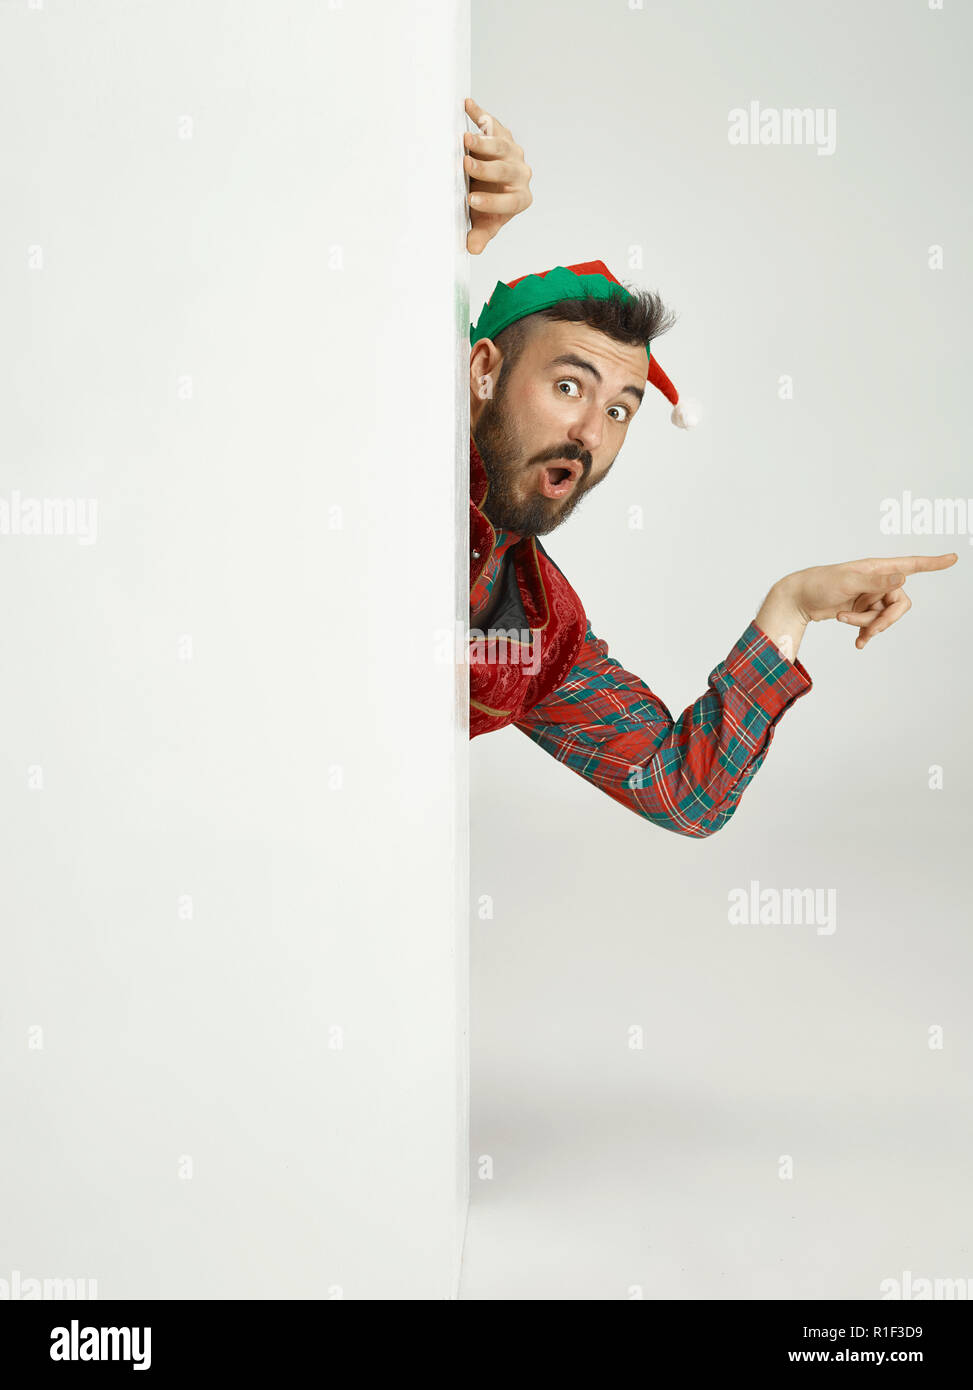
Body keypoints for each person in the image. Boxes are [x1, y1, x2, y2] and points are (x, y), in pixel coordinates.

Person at [462, 98, 957, 837]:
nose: (589, 432)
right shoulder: (375, 444)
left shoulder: (538, 626)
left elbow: (683, 793)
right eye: (568, 386)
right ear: (481, 371)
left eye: (621, 409)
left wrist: (786, 608)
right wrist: (454, 211)